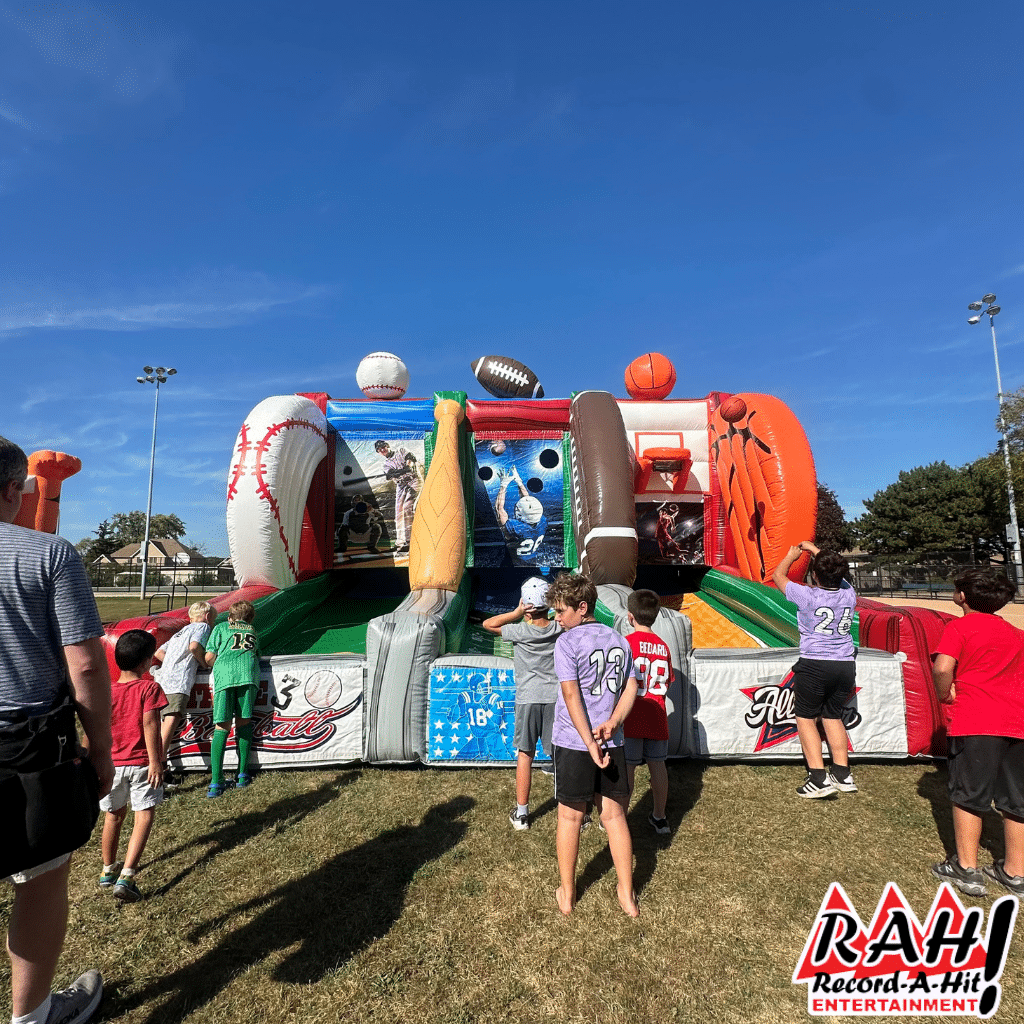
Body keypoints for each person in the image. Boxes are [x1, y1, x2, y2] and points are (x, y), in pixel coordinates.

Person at [0, 434, 113, 1024]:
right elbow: (87, 665)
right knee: (39, 878)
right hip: (28, 749)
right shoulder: (48, 554)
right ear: (14, 491)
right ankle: (31, 1016)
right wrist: (102, 751)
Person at [547, 573, 640, 917]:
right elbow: (632, 687)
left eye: (561, 611)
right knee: (614, 816)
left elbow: (571, 694)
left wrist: (588, 742)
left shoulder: (567, 643)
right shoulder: (620, 639)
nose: (557, 618)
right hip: (611, 740)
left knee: (570, 817)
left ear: (582, 607)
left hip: (575, 742)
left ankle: (567, 894)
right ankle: (626, 893)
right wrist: (613, 723)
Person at [930, 567, 1024, 897]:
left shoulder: (959, 627)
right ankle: (1015, 872)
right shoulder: (1016, 633)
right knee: (1016, 799)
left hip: (976, 722)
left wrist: (944, 693)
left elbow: (942, 667)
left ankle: (966, 868)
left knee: (969, 794)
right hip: (1017, 723)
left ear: (962, 596)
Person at [773, 541, 858, 798]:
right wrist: (816, 550)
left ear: (814, 575)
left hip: (815, 663)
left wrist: (792, 555)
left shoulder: (807, 595)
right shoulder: (849, 593)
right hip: (845, 663)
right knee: (833, 716)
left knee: (806, 717)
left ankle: (818, 778)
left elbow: (778, 576)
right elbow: (835, 572)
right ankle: (842, 773)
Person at [482, 576, 562, 830]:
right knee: (560, 754)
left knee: (525, 755)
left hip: (528, 699)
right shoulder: (558, 628)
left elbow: (488, 624)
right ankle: (572, 809)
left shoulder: (519, 630)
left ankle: (522, 813)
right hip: (554, 698)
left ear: (526, 606)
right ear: (548, 604)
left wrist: (516, 613)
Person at [99, 630, 166, 902]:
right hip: (141, 764)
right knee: (144, 814)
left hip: (112, 764)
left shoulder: (105, 691)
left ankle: (107, 870)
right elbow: (151, 724)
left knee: (113, 816)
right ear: (146, 662)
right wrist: (156, 761)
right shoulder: (149, 688)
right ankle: (127, 876)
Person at [622, 589, 673, 834]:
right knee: (658, 765)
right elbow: (667, 682)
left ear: (630, 616)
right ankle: (659, 816)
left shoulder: (626, 643)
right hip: (657, 713)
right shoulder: (663, 646)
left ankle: (619, 817)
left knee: (628, 767)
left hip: (631, 713)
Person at [152, 601, 215, 779]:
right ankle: (159, 765)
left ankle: (160, 761)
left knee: (164, 722)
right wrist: (203, 663)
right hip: (179, 680)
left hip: (163, 678)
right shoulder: (203, 627)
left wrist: (172, 663)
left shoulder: (180, 632)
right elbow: (194, 647)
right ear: (207, 617)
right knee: (171, 720)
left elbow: (159, 653)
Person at [204, 600, 260, 798]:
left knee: (222, 727)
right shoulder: (253, 631)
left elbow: (209, 657)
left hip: (225, 676)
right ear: (250, 619)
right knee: (244, 723)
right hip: (248, 675)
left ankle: (216, 782)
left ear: (230, 617)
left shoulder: (221, 627)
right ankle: (242, 774)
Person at [374, 441, 421, 553]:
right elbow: (391, 474)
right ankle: (400, 543)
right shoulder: (385, 464)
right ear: (378, 452)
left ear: (387, 446)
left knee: (407, 509)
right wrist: (402, 471)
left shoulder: (401, 451)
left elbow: (410, 458)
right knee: (398, 514)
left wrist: (408, 466)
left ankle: (409, 542)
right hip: (401, 485)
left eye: (383, 447)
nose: (382, 450)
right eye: (379, 449)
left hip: (413, 481)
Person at [494, 465, 547, 565]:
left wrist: (503, 486)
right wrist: (519, 483)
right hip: (532, 561)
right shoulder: (543, 522)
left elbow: (499, 509)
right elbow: (528, 503)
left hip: (514, 563)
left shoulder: (516, 528)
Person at [336, 494, 382, 561]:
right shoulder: (348, 513)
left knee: (377, 526)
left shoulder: (369, 512)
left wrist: (373, 510)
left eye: (359, 500)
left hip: (365, 535)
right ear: (353, 502)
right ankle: (342, 547)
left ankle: (372, 546)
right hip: (353, 535)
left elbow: (380, 515)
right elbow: (344, 525)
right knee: (342, 528)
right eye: (356, 500)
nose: (357, 502)